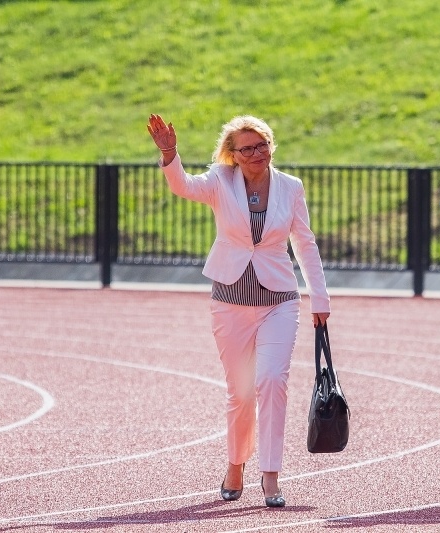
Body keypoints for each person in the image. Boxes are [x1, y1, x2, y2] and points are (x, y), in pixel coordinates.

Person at [147, 113, 331, 508]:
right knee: (240, 393)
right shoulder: (219, 180)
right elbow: (183, 186)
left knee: (271, 381)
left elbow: (305, 242)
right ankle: (236, 464)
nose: (255, 153)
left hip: (279, 300)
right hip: (229, 302)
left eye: (261, 145)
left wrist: (320, 297)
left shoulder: (290, 187)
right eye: (246, 148)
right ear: (232, 154)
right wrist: (169, 152)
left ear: (270, 146)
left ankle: (270, 475)